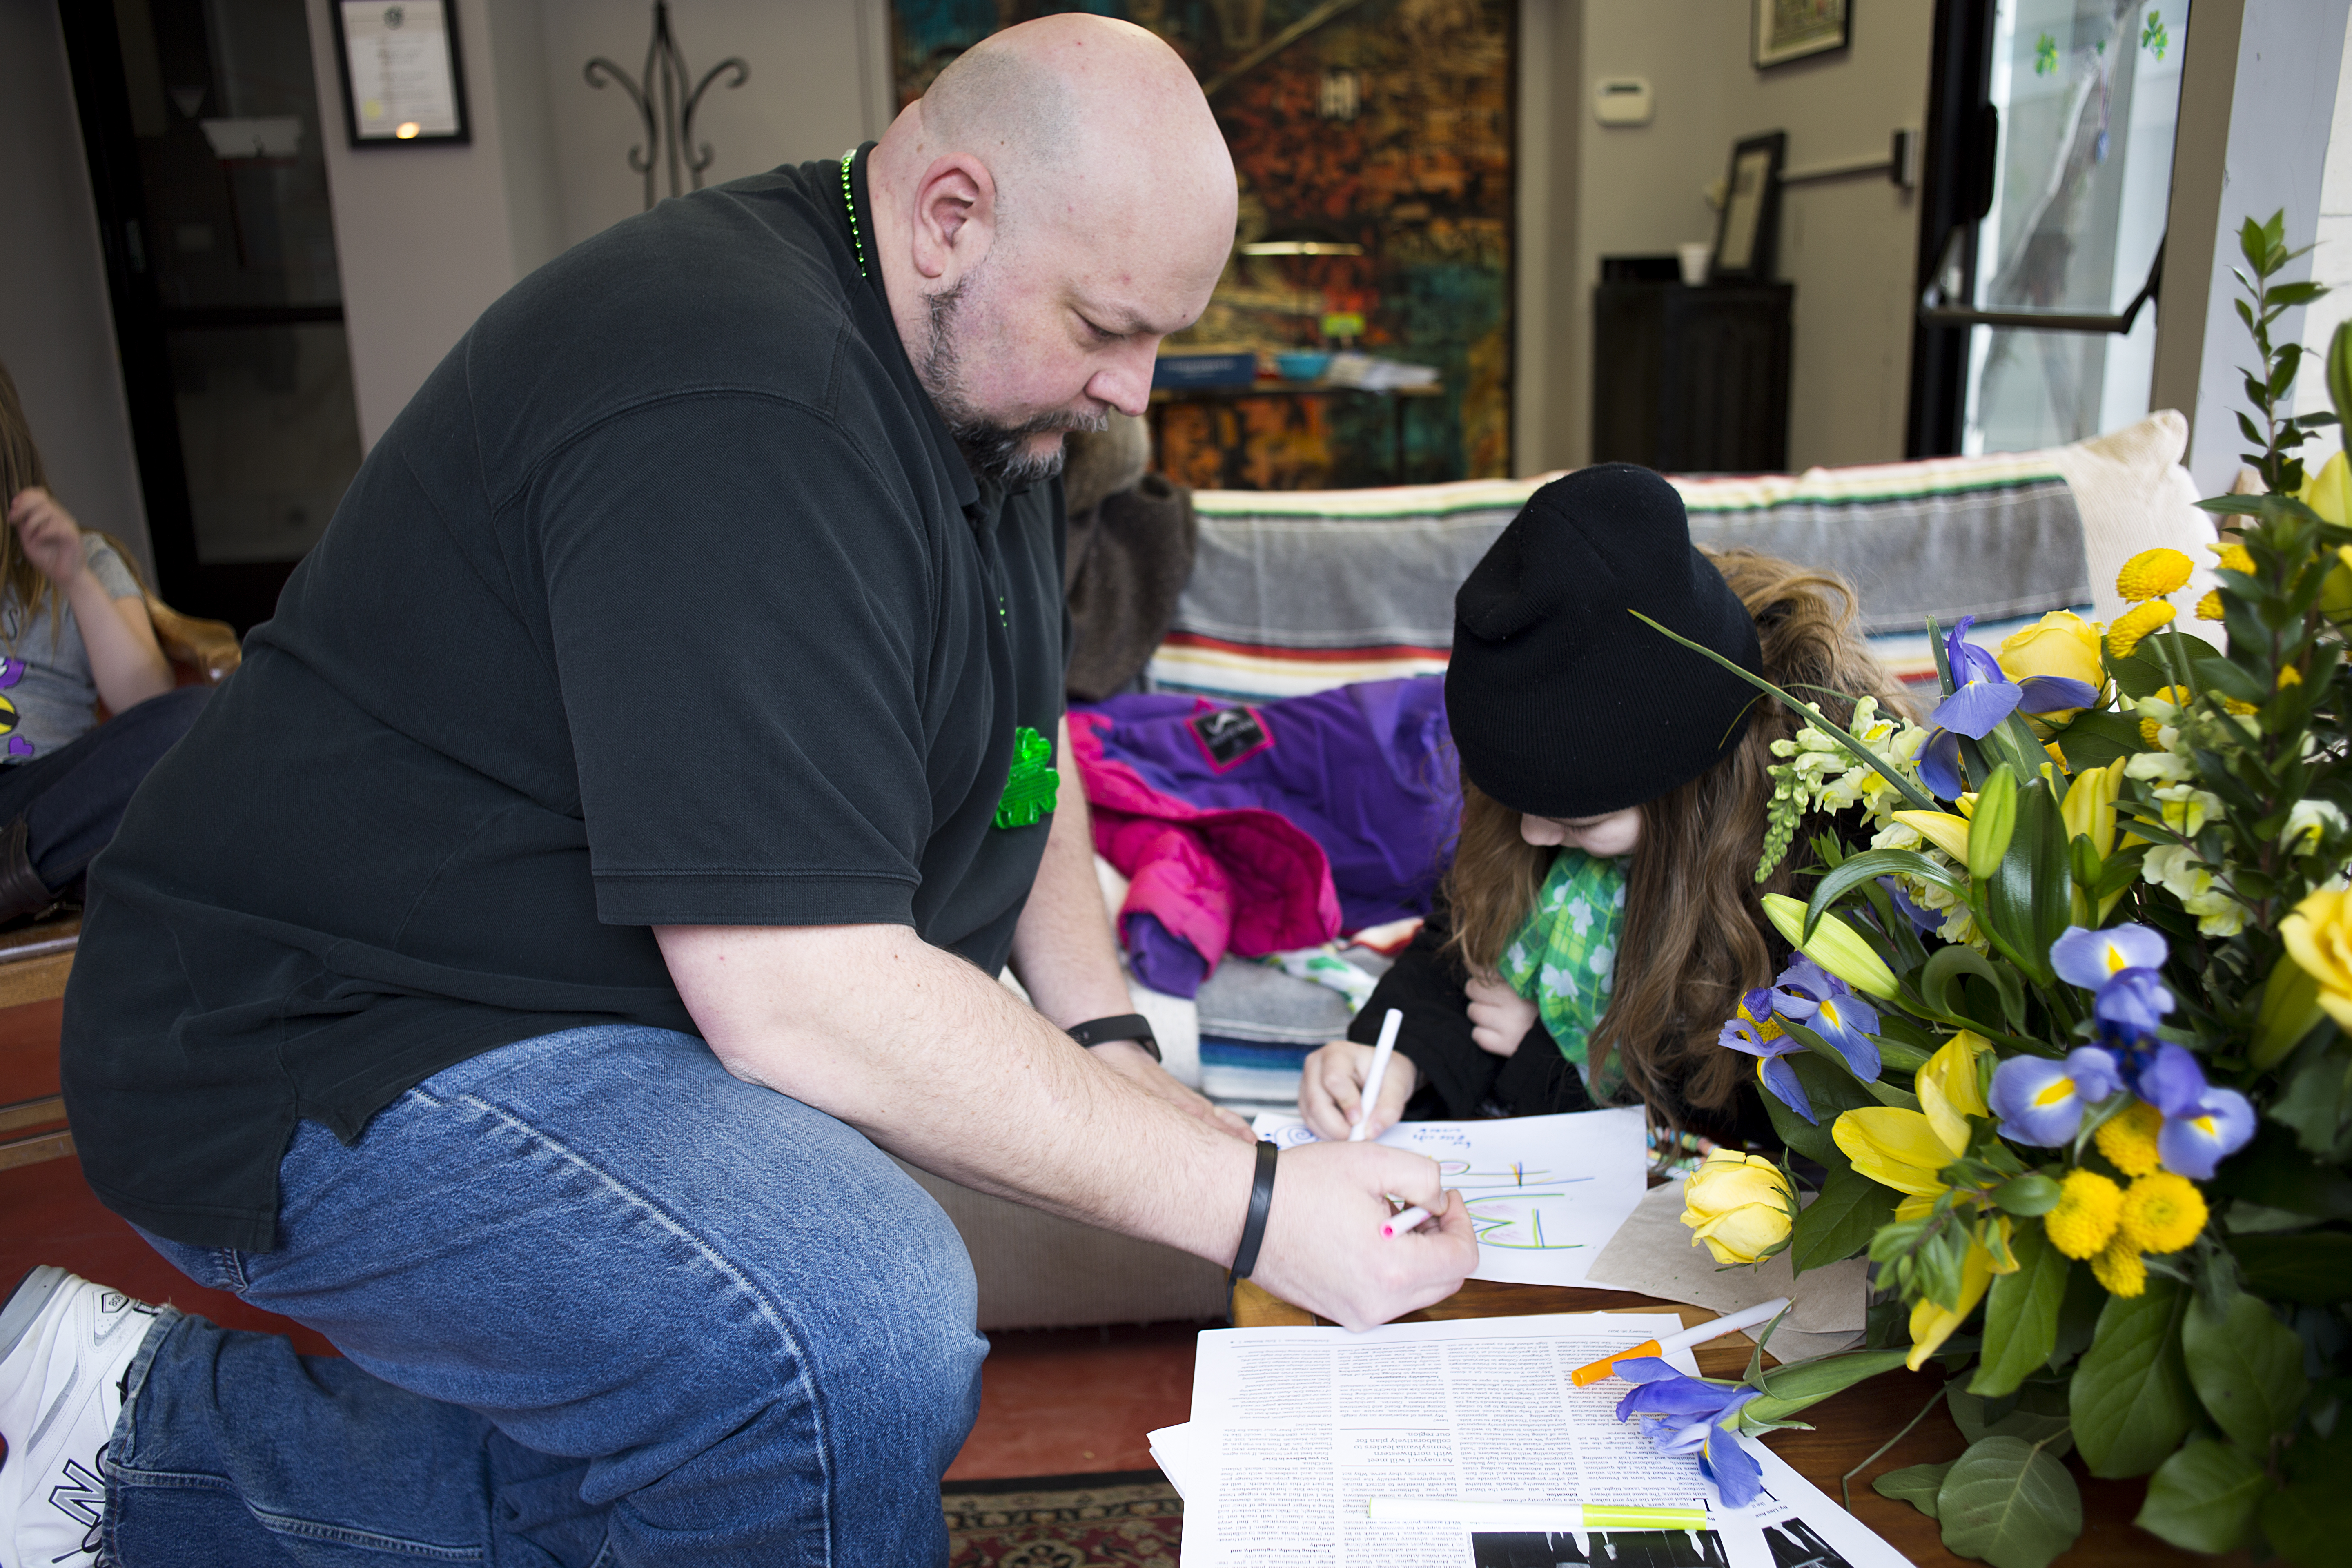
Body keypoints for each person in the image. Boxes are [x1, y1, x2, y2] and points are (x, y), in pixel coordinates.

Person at [2, 16, 1477, 1568]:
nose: (1138, 389)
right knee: (839, 1337)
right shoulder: (740, 388)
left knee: (722, 1480)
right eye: (1111, 323)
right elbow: (802, 993)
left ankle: (147, 1443)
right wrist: (1258, 1207)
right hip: (313, 1034)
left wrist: (1113, 1039)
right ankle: (162, 1443)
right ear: (949, 215)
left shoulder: (994, 400)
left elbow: (1024, 740)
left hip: (579, 1005)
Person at [1296, 463, 1911, 1146]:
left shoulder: (1824, 849)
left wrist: (1550, 1058)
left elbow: (1775, 1117)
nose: (1533, 834)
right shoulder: (1543, 802)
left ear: (1688, 793)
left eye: (1577, 820)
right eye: (1515, 803)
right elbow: (1463, 943)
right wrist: (1394, 1058)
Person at [0, 360, 206, 925]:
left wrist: (74, 579)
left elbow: (150, 703)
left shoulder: (83, 557)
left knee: (194, 720)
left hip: (45, 801)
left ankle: (32, 871)